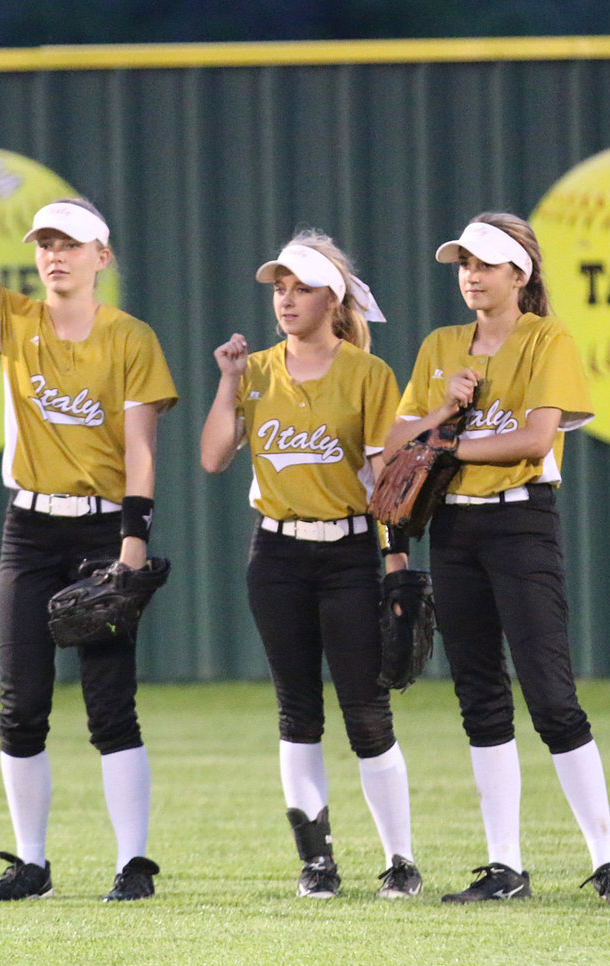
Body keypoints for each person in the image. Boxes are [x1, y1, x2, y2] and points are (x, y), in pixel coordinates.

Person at [0, 69, 178, 903]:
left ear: (102, 256)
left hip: (103, 530)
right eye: (44, 244)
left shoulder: (130, 337)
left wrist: (132, 546)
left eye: (69, 243)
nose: (54, 255)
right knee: (21, 701)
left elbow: (140, 450)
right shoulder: (14, 320)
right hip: (29, 530)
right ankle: (30, 863)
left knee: (110, 703)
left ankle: (132, 863)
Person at [384, 213, 610, 905]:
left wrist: (445, 445)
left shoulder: (546, 338)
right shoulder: (441, 345)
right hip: (454, 528)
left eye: (484, 264)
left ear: (519, 273)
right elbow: (391, 445)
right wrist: (441, 412)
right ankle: (504, 868)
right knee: (479, 696)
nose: (470, 275)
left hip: (520, 523)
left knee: (551, 695)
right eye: (463, 264)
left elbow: (535, 439)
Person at [200, 231, 422, 899]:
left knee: (366, 712)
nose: (286, 299)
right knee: (297, 711)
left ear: (334, 300)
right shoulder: (254, 370)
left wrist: (396, 563)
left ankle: (400, 861)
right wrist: (229, 381)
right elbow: (213, 457)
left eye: (301, 288)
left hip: (349, 553)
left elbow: (386, 479)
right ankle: (317, 863)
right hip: (276, 554)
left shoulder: (367, 374)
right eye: (280, 288)